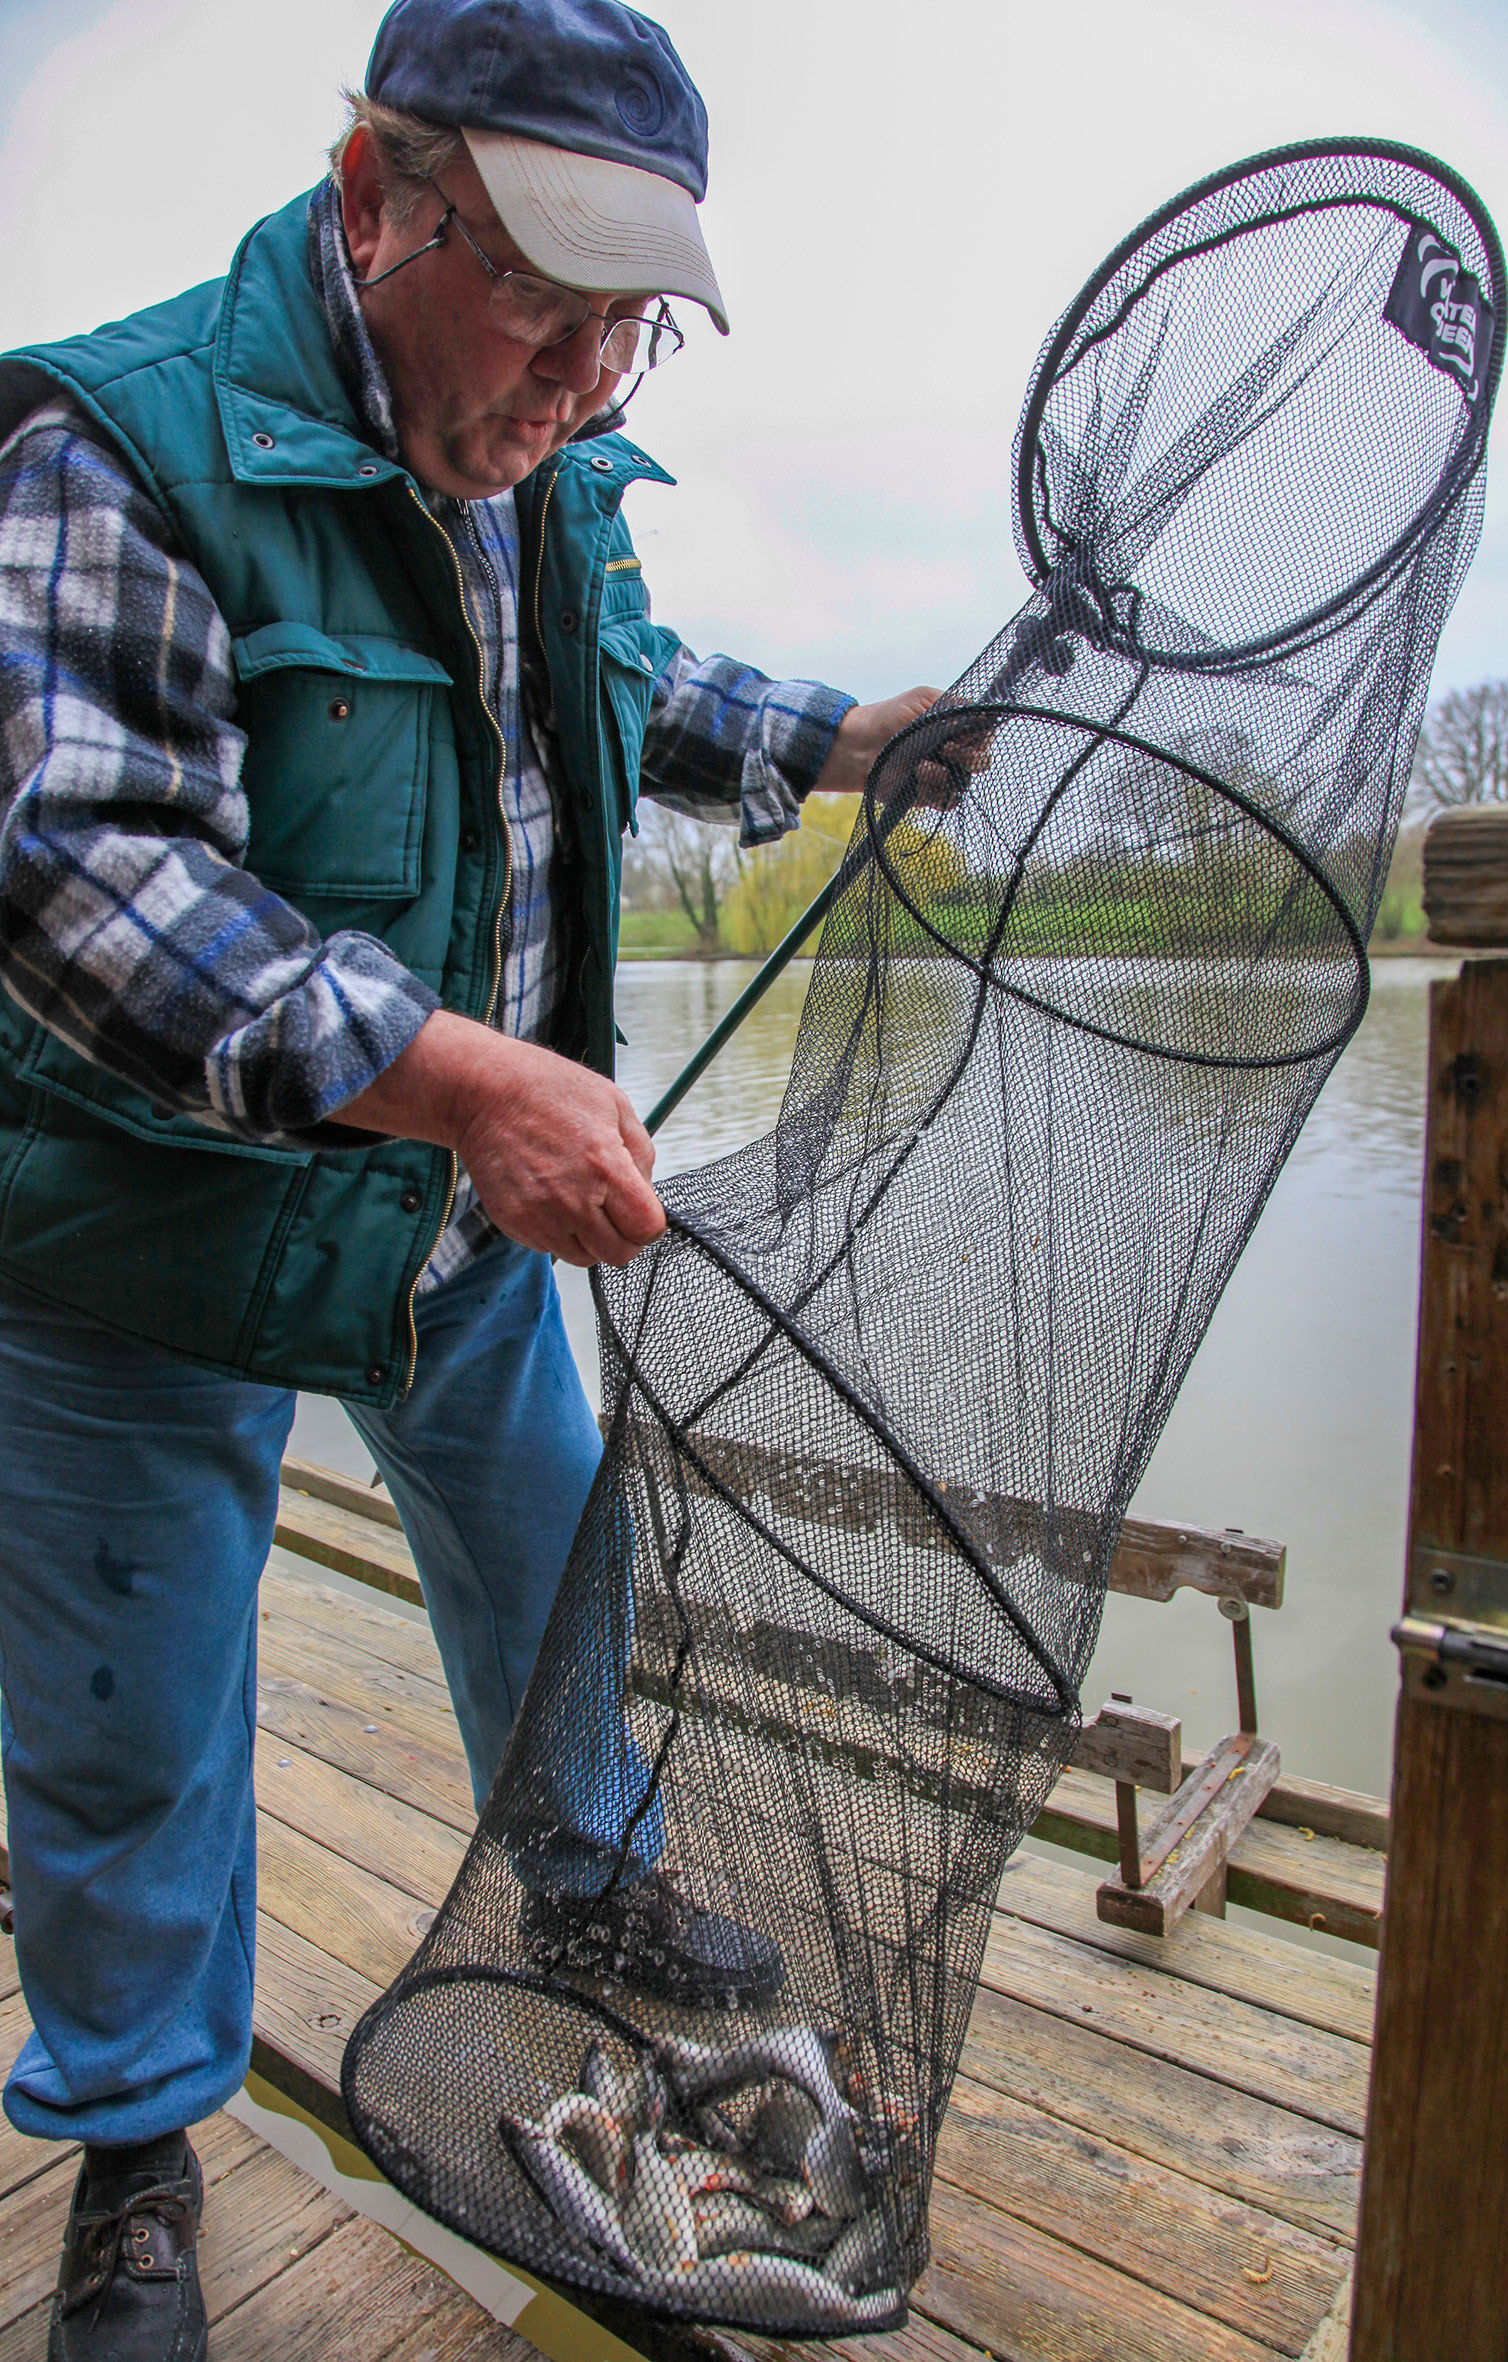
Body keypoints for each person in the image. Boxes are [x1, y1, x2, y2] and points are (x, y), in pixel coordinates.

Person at [0, 2, 946, 2353]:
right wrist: (456, 1077)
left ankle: (586, 1879)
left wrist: (843, 738)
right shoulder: (101, 441)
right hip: (139, 1232)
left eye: (633, 324)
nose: (583, 371)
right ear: (369, 195)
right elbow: (74, 868)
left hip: (451, 1224)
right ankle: (133, 2152)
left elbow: (610, 688)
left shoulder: (537, 455)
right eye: (542, 290)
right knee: (127, 1725)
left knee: (555, 1569)